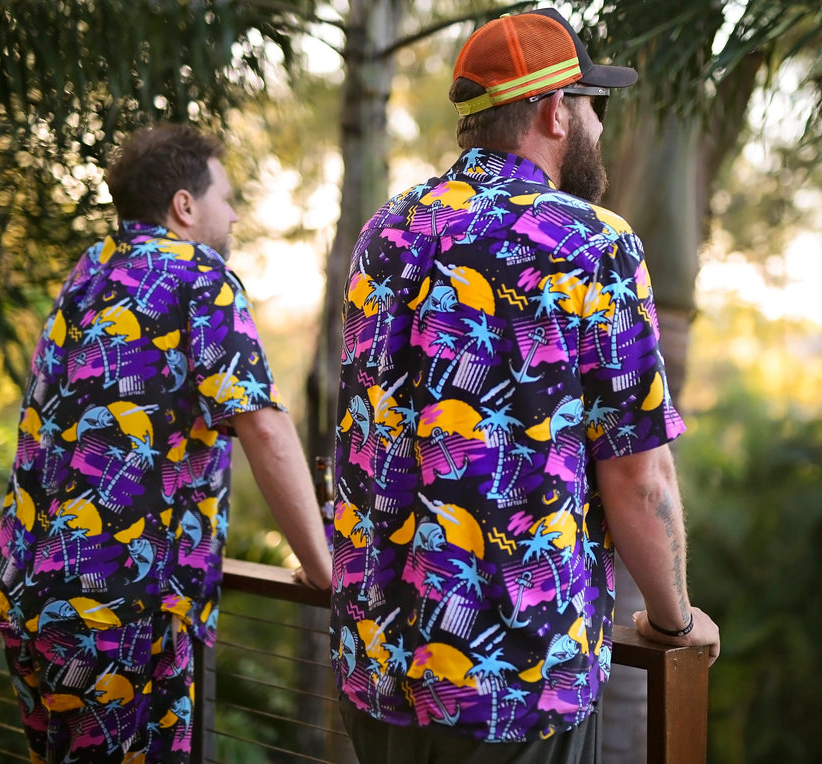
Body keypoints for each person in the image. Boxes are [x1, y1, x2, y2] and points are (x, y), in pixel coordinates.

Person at [329, 8, 720, 763]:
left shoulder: (388, 230)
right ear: (554, 112)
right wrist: (675, 621)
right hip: (513, 681)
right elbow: (637, 475)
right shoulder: (592, 242)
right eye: (593, 106)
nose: (599, 127)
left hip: (376, 665)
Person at [0, 123, 332, 763]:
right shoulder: (199, 275)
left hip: (28, 596)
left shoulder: (91, 273)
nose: (234, 215)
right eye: (225, 198)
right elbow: (264, 427)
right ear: (184, 205)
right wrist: (324, 569)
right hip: (118, 613)